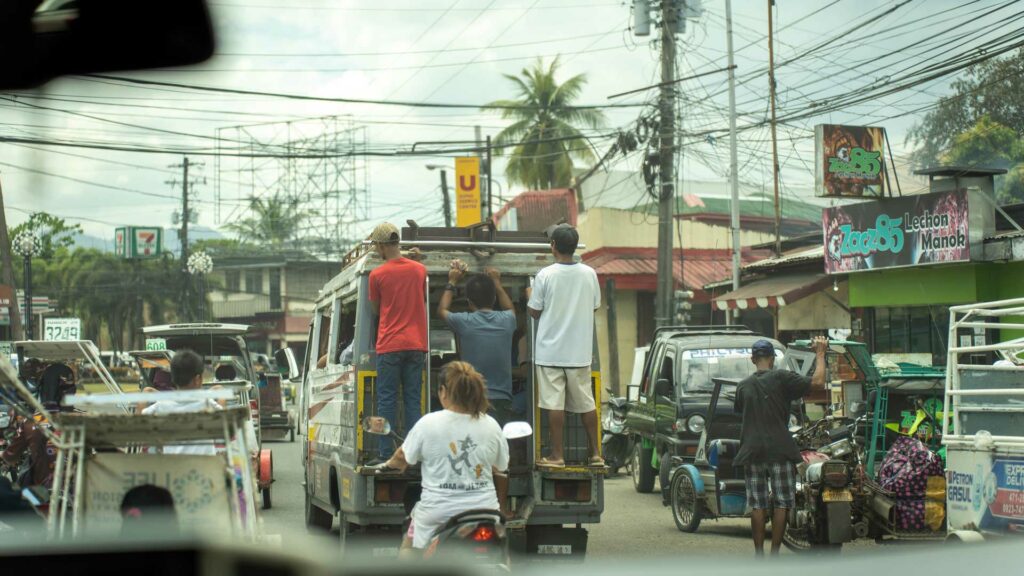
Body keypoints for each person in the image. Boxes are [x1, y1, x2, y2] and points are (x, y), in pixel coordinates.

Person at [379, 361, 509, 554]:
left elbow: (401, 457)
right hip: (485, 512)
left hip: (437, 515)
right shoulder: (492, 425)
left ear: (443, 392)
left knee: (408, 546)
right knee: (502, 550)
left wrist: (386, 465)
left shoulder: (428, 423)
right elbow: (501, 467)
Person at [734, 336, 828, 557]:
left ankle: (759, 555)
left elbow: (740, 411)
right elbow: (818, 383)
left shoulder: (743, 386)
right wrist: (821, 354)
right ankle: (775, 554)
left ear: (752, 359)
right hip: (780, 451)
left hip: (752, 451)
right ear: (773, 359)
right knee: (782, 503)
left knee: (757, 505)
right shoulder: (782, 378)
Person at [527, 223, 602, 467]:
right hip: (579, 352)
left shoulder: (545, 275)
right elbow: (594, 306)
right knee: (586, 403)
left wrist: (529, 296)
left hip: (550, 352)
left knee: (553, 404)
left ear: (553, 246)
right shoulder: (589, 273)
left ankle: (557, 456)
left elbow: (534, 312)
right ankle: (596, 454)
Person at [368, 222, 428, 460]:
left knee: (387, 401)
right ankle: (413, 454)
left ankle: (387, 454)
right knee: (414, 400)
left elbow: (376, 309)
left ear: (382, 245)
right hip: (416, 344)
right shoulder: (419, 269)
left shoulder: (377, 275)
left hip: (390, 345)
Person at [438, 263, 517, 425]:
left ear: (469, 302)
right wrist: (497, 283)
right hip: (501, 398)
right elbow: (510, 309)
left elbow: (442, 310)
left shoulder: (464, 321)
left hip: (471, 395)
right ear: (494, 298)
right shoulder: (507, 320)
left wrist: (452, 281)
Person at [142, 350, 222, 456]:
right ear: (198, 379)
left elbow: (141, 418)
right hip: (204, 468)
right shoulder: (206, 403)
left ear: (173, 378)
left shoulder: (162, 405)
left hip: (175, 467)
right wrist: (221, 395)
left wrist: (144, 395)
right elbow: (225, 421)